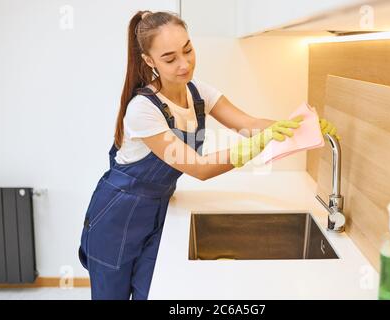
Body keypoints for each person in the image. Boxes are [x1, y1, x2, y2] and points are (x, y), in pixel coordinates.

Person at [78, 10, 338, 300]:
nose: (184, 63)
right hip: (116, 216)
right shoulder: (143, 110)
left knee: (152, 293)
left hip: (158, 211)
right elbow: (198, 167)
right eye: (170, 58)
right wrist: (252, 147)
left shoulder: (198, 92)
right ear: (149, 61)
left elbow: (248, 124)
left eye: (188, 50)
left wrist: (300, 127)